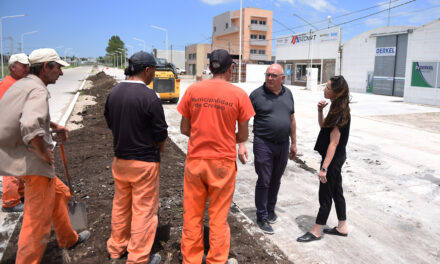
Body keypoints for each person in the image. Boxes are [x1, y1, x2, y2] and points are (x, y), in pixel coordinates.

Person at [0, 48, 90, 263]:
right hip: (32, 162)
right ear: (46, 67)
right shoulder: (38, 90)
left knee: (60, 193)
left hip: (16, 156)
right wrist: (42, 152)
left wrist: (51, 125)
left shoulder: (24, 84)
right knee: (36, 222)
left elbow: (21, 114)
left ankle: (68, 238)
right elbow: (30, 124)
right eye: (58, 67)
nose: (60, 73)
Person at [178, 49, 255, 264]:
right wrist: (225, 136)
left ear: (210, 68)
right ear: (231, 69)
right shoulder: (239, 95)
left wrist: (203, 133)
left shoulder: (193, 90)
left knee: (192, 216)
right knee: (219, 218)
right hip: (222, 163)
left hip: (196, 161)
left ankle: (191, 260)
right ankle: (216, 260)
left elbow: (184, 128)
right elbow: (244, 135)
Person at [104, 51, 166, 264]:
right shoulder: (150, 97)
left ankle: (117, 247)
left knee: (121, 206)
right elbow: (160, 134)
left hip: (120, 160)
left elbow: (111, 122)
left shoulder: (114, 93)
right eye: (154, 70)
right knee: (144, 210)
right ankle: (138, 257)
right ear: (147, 70)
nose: (154, 74)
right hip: (144, 163)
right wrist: (159, 148)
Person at [239, 64, 297, 234]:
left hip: (283, 143)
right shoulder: (256, 95)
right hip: (263, 143)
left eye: (273, 75)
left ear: (282, 78)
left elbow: (292, 119)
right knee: (264, 180)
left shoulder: (288, 94)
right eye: (268, 75)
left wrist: (294, 143)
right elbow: (243, 120)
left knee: (276, 179)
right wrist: (242, 143)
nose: (270, 78)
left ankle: (271, 209)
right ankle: (261, 216)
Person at [297, 75, 351, 242]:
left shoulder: (340, 112)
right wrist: (320, 111)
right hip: (336, 157)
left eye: (327, 88)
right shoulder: (337, 108)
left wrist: (324, 168)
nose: (324, 90)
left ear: (336, 92)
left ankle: (316, 230)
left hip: (332, 159)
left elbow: (333, 144)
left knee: (325, 194)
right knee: (336, 192)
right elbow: (323, 127)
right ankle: (342, 226)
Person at [0, 53, 30, 212]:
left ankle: (20, 194)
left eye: (27, 66)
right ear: (12, 67)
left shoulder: (18, 83)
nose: (27, 69)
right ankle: (10, 202)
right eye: (23, 66)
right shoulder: (7, 85)